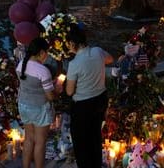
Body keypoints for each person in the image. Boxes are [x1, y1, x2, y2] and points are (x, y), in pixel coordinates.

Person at [65, 23, 114, 168]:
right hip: (100, 101)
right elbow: (110, 59)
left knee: (81, 143)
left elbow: (69, 91)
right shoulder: (98, 51)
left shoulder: (74, 64)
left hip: (83, 106)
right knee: (94, 137)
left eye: (68, 44)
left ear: (73, 43)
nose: (68, 47)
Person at [16, 38, 59, 168]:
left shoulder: (21, 64)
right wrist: (58, 89)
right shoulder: (43, 71)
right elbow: (50, 96)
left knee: (29, 138)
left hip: (24, 105)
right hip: (39, 108)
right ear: (41, 52)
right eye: (46, 52)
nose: (47, 55)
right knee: (40, 142)